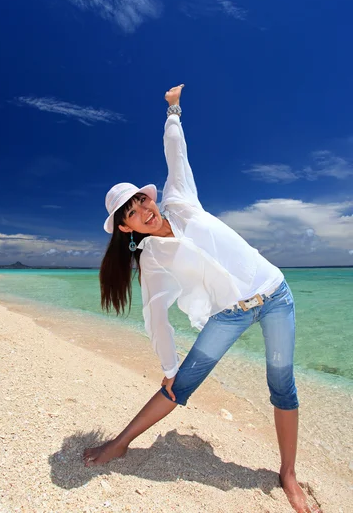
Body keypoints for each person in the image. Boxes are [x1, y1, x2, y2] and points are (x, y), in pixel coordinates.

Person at [84, 85, 320, 513]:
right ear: (125, 228)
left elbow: (176, 152)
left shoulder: (180, 200)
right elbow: (155, 313)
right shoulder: (151, 259)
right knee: (179, 386)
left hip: (274, 293)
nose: (144, 210)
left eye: (141, 200)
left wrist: (173, 110)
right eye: (133, 212)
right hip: (229, 314)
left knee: (282, 386)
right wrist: (170, 367)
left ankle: (288, 473)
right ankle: (120, 444)